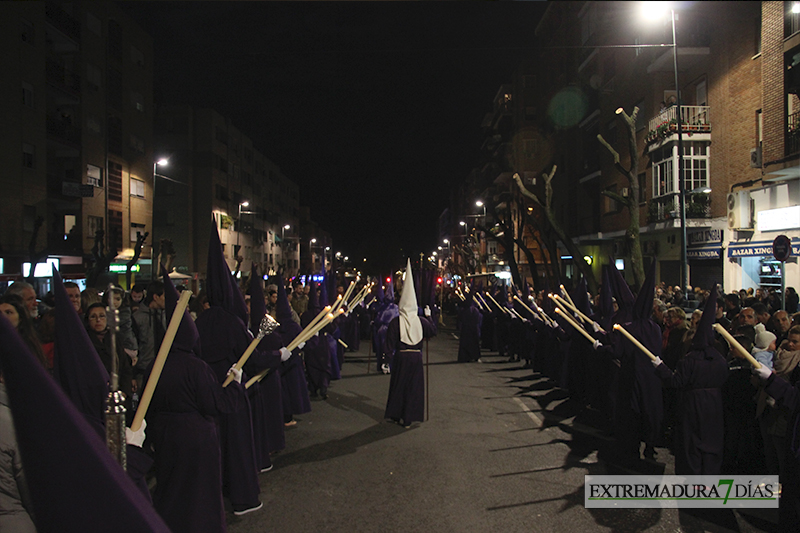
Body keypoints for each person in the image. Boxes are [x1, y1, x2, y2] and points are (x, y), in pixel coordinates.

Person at [652, 287, 729, 475]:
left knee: (692, 443)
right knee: (711, 441)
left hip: (693, 406)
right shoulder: (719, 359)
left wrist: (660, 367)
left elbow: (676, 382)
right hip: (714, 406)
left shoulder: (691, 359)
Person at [384, 259, 437, 427]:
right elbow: (433, 332)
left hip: (401, 358)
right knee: (412, 388)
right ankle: (408, 417)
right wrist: (429, 316)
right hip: (415, 359)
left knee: (399, 386)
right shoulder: (421, 321)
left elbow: (389, 342)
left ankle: (396, 413)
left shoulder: (395, 322)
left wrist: (386, 360)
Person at [85, 303, 135, 421]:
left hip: (119, 397)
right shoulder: (85, 342)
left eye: (102, 316)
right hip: (97, 400)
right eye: (93, 317)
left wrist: (124, 392)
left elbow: (124, 367)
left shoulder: (114, 339)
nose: (98, 320)